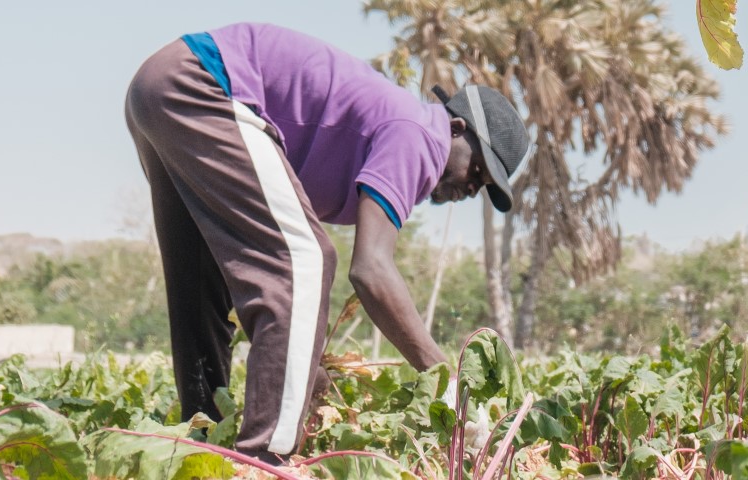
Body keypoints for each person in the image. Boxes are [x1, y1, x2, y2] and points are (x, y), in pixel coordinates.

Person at [124, 22, 529, 463]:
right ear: (455, 127)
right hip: (206, 84)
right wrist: (446, 379)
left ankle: (197, 444)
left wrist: (305, 362)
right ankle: (264, 462)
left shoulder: (388, 132)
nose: (472, 189)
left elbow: (260, 266)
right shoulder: (420, 136)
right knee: (307, 259)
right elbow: (371, 271)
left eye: (483, 187)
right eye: (477, 171)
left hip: (160, 86)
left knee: (201, 283)